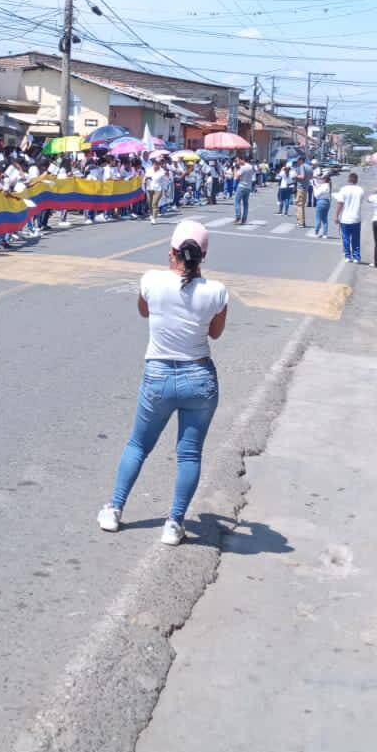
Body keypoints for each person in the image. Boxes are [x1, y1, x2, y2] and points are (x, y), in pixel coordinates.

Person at [98, 220, 228, 547]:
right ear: (204, 256)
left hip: (158, 375)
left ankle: (114, 509)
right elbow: (214, 333)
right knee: (189, 455)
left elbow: (144, 311)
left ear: (172, 252)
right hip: (199, 377)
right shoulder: (217, 291)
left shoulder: (151, 281)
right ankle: (174, 523)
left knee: (138, 445)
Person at [333, 172, 363, 263]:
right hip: (356, 218)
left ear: (348, 180)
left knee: (346, 238)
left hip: (345, 218)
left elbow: (340, 203)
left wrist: (336, 215)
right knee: (356, 238)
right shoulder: (360, 190)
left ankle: (347, 256)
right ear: (356, 180)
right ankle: (356, 257)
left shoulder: (344, 189)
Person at [311, 169, 333, 238]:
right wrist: (316, 184)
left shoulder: (323, 186)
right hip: (327, 202)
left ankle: (316, 232)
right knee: (324, 218)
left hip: (321, 202)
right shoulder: (328, 186)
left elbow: (316, 195)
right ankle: (325, 234)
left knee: (318, 218)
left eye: (322, 178)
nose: (321, 179)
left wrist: (314, 187)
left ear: (324, 179)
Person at [232, 158, 255, 225]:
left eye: (238, 160)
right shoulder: (250, 167)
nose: (237, 162)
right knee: (245, 204)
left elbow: (236, 177)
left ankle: (238, 217)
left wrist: (235, 169)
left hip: (241, 186)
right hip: (248, 187)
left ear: (242, 160)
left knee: (237, 202)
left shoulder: (243, 168)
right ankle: (244, 219)